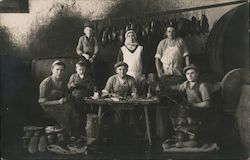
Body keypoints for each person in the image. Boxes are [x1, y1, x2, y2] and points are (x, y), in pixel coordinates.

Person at [167, 64, 210, 146]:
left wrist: (193, 105)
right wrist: (166, 87)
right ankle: (182, 133)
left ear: (197, 74)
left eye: (192, 73)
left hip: (201, 112)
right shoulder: (186, 84)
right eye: (187, 74)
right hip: (191, 111)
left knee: (188, 124)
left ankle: (189, 135)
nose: (190, 76)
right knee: (176, 113)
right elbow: (177, 87)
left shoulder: (202, 86)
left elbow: (207, 104)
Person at [39, 60, 82, 138]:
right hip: (49, 107)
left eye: (61, 70)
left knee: (75, 114)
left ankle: (76, 138)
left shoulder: (64, 82)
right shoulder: (46, 83)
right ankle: (68, 137)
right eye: (57, 70)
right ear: (52, 70)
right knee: (66, 115)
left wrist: (69, 97)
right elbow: (42, 102)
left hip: (63, 106)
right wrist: (58, 102)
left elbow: (66, 96)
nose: (59, 72)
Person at [101, 61, 137, 142]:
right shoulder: (112, 79)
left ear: (127, 70)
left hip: (127, 103)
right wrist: (111, 95)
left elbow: (134, 93)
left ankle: (129, 138)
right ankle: (117, 138)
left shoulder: (131, 79)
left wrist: (133, 95)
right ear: (116, 70)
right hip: (114, 103)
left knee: (132, 115)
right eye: (120, 69)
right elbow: (104, 92)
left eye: (124, 69)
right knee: (118, 115)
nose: (122, 71)